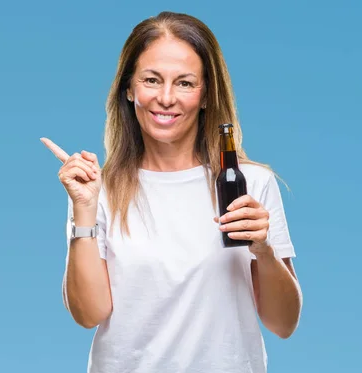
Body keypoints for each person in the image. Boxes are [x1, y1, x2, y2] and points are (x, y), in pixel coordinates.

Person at [41, 11, 302, 373]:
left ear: (206, 94)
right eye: (151, 80)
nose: (166, 98)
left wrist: (264, 250)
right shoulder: (98, 190)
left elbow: (283, 324)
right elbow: (89, 314)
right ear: (129, 89)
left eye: (184, 83)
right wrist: (83, 211)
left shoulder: (250, 184)